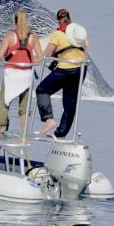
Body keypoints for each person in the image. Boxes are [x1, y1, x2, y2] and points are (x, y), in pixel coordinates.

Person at [0, 10, 43, 141]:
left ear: (15, 21)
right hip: (26, 76)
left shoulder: (10, 36)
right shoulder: (33, 37)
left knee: (4, 104)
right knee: (24, 109)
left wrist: (11, 57)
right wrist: (29, 61)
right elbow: (41, 58)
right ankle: (25, 136)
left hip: (11, 76)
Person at [36, 8, 89, 138]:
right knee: (70, 103)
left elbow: (47, 54)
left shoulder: (58, 34)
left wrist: (37, 58)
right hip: (80, 69)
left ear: (59, 21)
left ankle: (48, 119)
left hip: (65, 69)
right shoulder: (81, 34)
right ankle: (60, 134)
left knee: (42, 90)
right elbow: (85, 55)